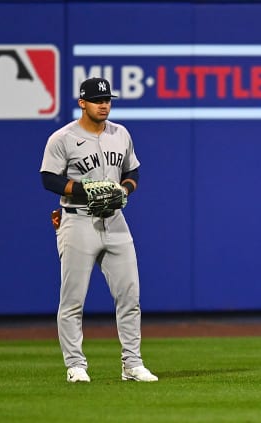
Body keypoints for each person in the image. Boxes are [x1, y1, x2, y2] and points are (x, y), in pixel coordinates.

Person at [39, 77, 157, 383]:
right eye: (97, 99)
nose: (104, 104)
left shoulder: (121, 134)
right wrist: (84, 189)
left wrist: (125, 189)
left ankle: (132, 363)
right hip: (78, 220)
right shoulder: (62, 138)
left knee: (130, 296)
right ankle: (75, 365)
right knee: (73, 299)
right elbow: (49, 179)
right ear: (82, 103)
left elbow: (132, 170)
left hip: (115, 221)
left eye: (107, 99)